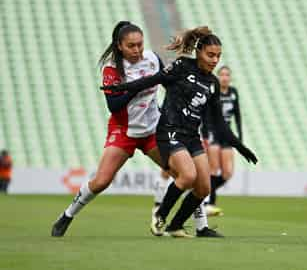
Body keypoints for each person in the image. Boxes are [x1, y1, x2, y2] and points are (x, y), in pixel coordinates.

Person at [51, 21, 220, 238]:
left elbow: (170, 79)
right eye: (131, 46)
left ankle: (199, 226)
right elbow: (114, 105)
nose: (137, 50)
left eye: (140, 44)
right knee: (101, 181)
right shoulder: (112, 68)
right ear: (120, 46)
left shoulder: (151, 59)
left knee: (188, 176)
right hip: (124, 131)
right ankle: (67, 215)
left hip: (154, 130)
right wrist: (136, 85)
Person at [101, 26, 257, 238]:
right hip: (169, 131)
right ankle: (160, 215)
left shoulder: (212, 83)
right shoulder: (182, 66)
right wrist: (122, 88)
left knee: (204, 188)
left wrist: (240, 146)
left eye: (218, 56)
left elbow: (220, 123)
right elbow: (153, 79)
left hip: (192, 137)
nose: (214, 60)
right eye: (210, 55)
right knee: (188, 176)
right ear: (199, 52)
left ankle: (176, 226)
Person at [201, 65, 242, 216]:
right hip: (213, 132)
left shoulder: (233, 92)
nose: (225, 77)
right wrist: (205, 134)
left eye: (227, 75)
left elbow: (238, 116)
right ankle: (209, 203)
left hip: (227, 135)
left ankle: (204, 191)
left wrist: (240, 138)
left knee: (227, 173)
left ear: (230, 78)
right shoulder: (212, 90)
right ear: (218, 77)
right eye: (222, 75)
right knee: (213, 169)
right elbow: (204, 113)